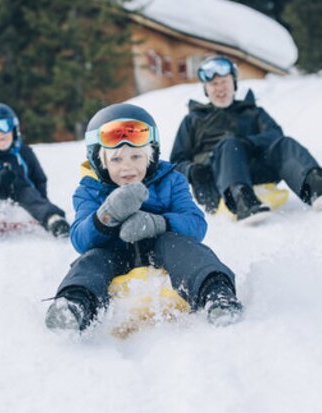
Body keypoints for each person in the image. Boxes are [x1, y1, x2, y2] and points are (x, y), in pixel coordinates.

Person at [44, 103, 244, 333]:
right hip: (114, 254)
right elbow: (80, 239)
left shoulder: (172, 180)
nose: (127, 167)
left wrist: (159, 223)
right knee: (91, 260)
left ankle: (216, 294)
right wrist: (106, 216)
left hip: (164, 251)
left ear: (151, 156)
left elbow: (196, 224)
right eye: (116, 159)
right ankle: (74, 305)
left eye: (136, 156)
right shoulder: (89, 191)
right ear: (101, 162)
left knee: (185, 248)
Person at [170, 55, 322, 220]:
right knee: (230, 144)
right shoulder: (193, 120)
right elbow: (176, 162)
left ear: (234, 84)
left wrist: (248, 143)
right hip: (214, 182)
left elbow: (275, 135)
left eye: (224, 82)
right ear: (206, 90)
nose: (220, 89)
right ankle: (241, 201)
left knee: (283, 143)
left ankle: (316, 186)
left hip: (254, 171)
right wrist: (192, 170)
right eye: (214, 85)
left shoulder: (252, 112)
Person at [0, 103, 71, 238]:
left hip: (21, 195)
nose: (0, 133)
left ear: (14, 128)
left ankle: (53, 220)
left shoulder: (23, 152)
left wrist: (42, 200)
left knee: (27, 191)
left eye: (4, 126)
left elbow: (39, 178)